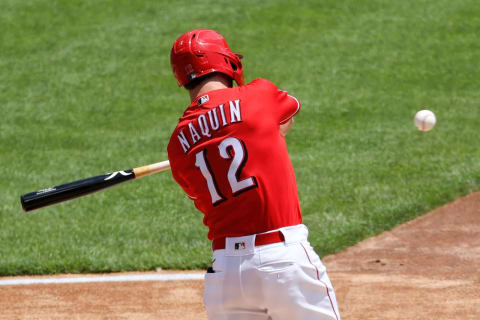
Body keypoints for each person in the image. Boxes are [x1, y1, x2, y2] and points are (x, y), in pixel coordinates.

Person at [167, 29, 341, 320]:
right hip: (283, 262)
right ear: (225, 61)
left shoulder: (177, 145)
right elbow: (286, 120)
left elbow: (205, 196)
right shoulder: (259, 96)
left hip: (225, 275)